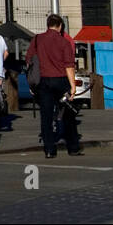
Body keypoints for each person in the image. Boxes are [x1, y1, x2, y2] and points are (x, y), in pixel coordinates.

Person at [27, 13, 82, 158]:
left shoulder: (37, 39)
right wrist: (73, 87)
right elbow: (69, 66)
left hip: (44, 81)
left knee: (46, 116)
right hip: (61, 80)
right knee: (68, 115)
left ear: (47, 25)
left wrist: (32, 83)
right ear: (60, 26)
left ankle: (50, 149)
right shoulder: (63, 42)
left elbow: (29, 60)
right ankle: (73, 147)